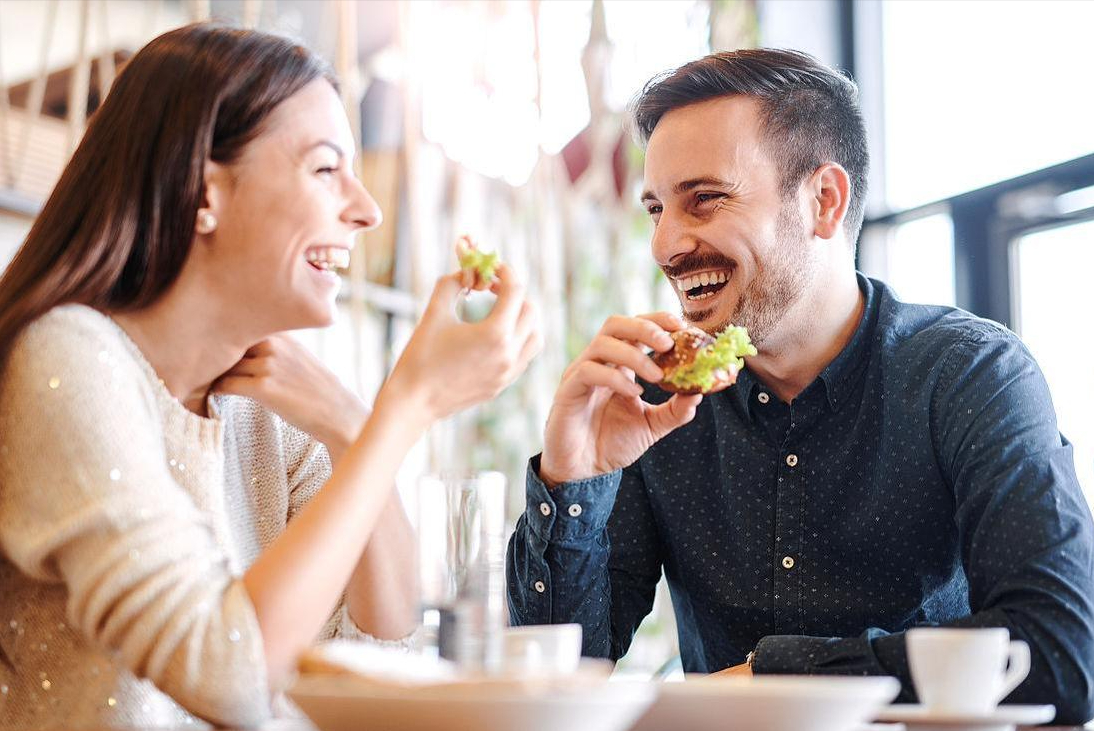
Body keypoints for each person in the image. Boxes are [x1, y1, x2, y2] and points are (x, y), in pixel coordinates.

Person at [506, 48, 1094, 722]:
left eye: (704, 200)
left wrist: (776, 673)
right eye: (655, 209)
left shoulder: (970, 375)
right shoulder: (657, 402)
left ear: (823, 201)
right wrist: (573, 475)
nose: (665, 244)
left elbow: (1061, 653)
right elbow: (549, 685)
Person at [0, 23, 540, 730]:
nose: (366, 208)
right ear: (204, 188)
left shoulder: (267, 402)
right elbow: (226, 673)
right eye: (324, 169)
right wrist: (405, 408)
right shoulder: (67, 359)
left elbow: (386, 638)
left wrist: (353, 425)